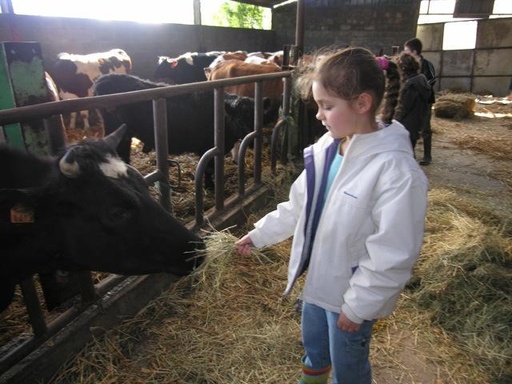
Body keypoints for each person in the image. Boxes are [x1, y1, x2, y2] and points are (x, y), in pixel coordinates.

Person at [234, 46, 429, 384]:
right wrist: (260, 233)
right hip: (317, 286)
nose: (319, 116)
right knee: (315, 352)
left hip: (350, 297)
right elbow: (298, 205)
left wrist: (359, 306)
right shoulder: (327, 148)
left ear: (362, 103)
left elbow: (394, 252)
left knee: (349, 367)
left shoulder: (396, 171)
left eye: (326, 106)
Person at [403, 37, 436, 165]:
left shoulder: (427, 65)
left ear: (414, 52)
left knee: (425, 128)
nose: (405, 53)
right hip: (412, 100)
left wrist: (420, 87)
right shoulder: (407, 64)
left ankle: (427, 156)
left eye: (406, 50)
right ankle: (411, 154)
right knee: (410, 128)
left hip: (425, 100)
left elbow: (432, 80)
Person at [394, 52, 432, 157]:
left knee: (406, 153)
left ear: (403, 69)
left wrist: (391, 122)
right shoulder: (421, 79)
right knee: (410, 150)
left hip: (407, 125)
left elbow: (403, 108)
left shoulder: (410, 85)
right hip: (417, 122)